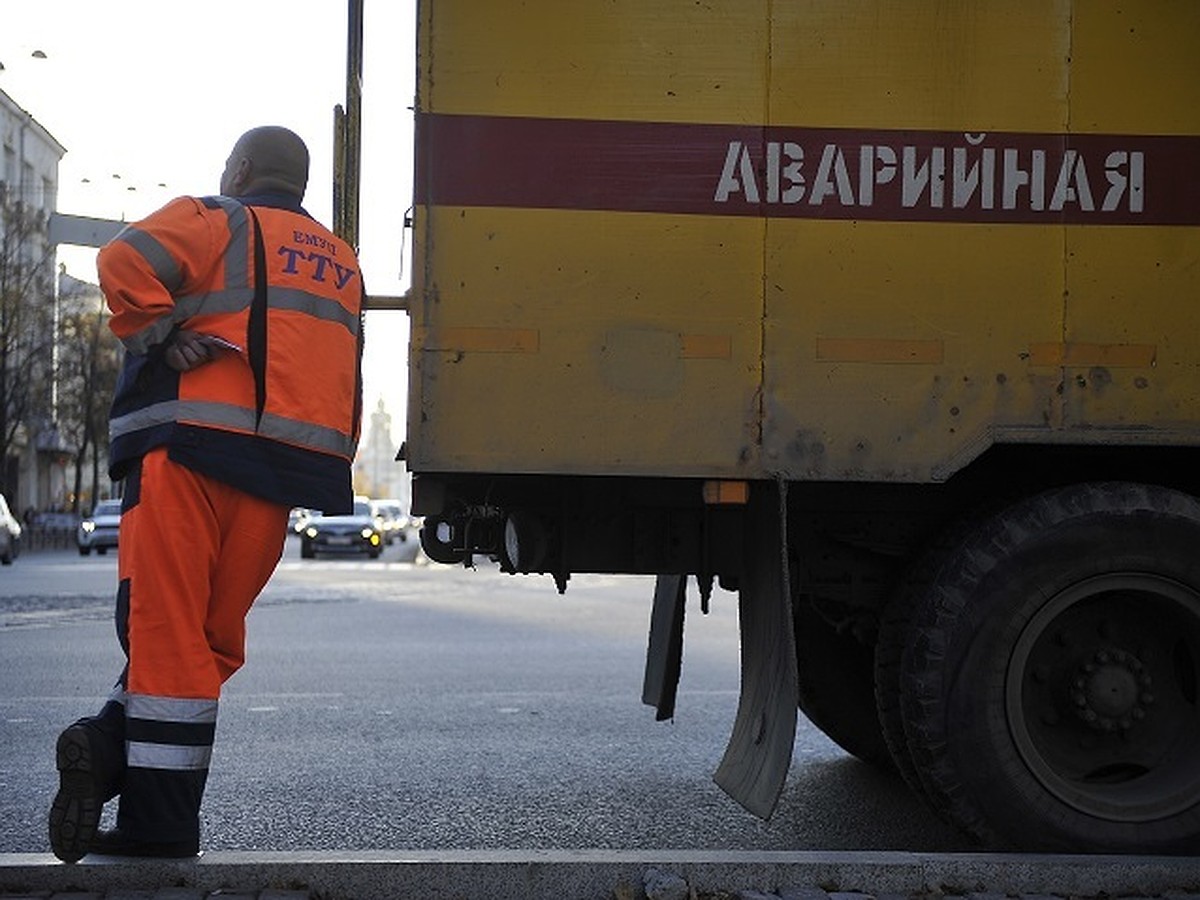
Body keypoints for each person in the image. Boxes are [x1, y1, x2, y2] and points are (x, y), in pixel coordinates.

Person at [48, 126, 364, 862]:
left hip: (186, 452)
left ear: (243, 167)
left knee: (167, 633)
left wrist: (159, 331)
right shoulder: (340, 262)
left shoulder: (215, 217)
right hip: (278, 474)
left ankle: (148, 811)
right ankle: (110, 753)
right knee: (210, 641)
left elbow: (122, 255)